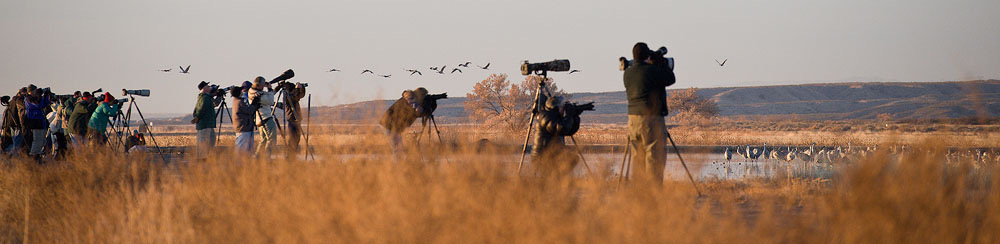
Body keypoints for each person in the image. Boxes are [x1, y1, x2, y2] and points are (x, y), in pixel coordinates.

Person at [623, 42, 676, 183]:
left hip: (633, 121)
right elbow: (671, 78)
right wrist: (660, 63)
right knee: (654, 157)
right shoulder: (652, 71)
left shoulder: (627, 73)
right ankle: (652, 196)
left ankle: (638, 194)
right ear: (647, 56)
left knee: (637, 157)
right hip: (651, 119)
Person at [248, 77, 278, 156]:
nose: (263, 87)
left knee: (263, 140)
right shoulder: (257, 94)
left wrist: (276, 88)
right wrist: (270, 89)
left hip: (260, 119)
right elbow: (270, 101)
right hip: (265, 118)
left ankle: (257, 158)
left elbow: (267, 96)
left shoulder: (252, 91)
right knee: (272, 139)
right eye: (262, 85)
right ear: (258, 85)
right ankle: (267, 158)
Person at [192, 81, 219, 159]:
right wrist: (197, 118)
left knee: (210, 141)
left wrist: (218, 96)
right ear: (204, 88)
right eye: (208, 86)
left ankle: (206, 158)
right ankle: (202, 159)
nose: (210, 87)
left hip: (207, 124)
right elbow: (200, 110)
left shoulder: (206, 97)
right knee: (203, 142)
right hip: (205, 124)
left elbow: (214, 104)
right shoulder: (204, 98)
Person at [24, 88, 51, 160]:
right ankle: (33, 156)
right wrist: (39, 95)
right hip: (35, 122)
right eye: (34, 90)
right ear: (31, 91)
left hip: (41, 122)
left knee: (42, 140)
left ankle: (37, 155)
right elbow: (38, 105)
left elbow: (44, 104)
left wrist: (46, 95)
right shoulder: (28, 99)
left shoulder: (35, 98)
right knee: (37, 140)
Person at [281, 82, 307, 157]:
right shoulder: (288, 96)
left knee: (296, 139)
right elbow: (295, 97)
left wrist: (301, 88)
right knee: (292, 140)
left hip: (296, 120)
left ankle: (292, 157)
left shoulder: (292, 95)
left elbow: (301, 95)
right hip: (292, 120)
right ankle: (290, 157)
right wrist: (296, 89)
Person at [231, 82, 257, 154]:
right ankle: (240, 164)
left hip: (243, 127)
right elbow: (249, 111)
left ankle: (244, 163)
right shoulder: (239, 102)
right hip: (244, 128)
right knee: (242, 150)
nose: (242, 91)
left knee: (243, 149)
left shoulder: (236, 101)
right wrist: (254, 103)